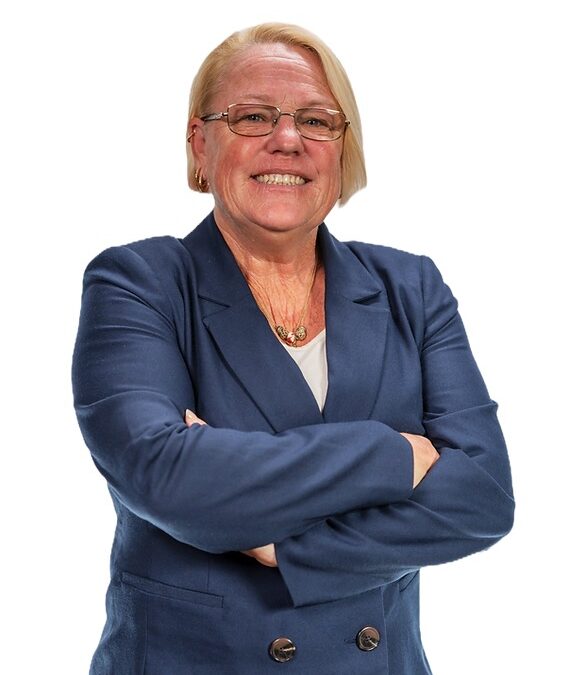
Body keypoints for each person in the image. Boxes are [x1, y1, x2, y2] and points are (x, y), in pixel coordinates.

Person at [72, 22, 514, 674]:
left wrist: (288, 546)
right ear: (199, 143)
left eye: (316, 120)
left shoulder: (411, 287)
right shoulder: (138, 283)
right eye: (253, 116)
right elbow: (167, 475)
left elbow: (481, 498)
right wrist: (397, 454)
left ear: (343, 148)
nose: (287, 139)